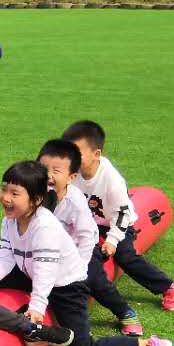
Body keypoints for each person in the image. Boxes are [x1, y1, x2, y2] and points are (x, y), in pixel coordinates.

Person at [0, 160, 173, 346]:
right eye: (4, 189)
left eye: (14, 193)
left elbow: (47, 271)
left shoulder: (44, 226)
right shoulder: (11, 219)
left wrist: (36, 307)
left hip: (66, 286)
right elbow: (6, 255)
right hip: (31, 272)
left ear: (35, 200)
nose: (5, 197)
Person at [63, 120, 174, 326]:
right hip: (88, 224)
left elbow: (123, 212)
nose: (71, 159)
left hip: (116, 224)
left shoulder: (110, 177)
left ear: (96, 154)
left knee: (126, 256)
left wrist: (112, 240)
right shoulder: (71, 173)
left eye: (77, 154)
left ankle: (168, 287)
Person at [38, 136, 138, 333]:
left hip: (78, 251)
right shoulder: (35, 193)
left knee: (95, 279)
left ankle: (125, 311)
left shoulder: (75, 201)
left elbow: (85, 238)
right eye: (43, 170)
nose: (48, 176)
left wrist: (80, 270)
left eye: (56, 171)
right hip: (48, 250)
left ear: (71, 176)